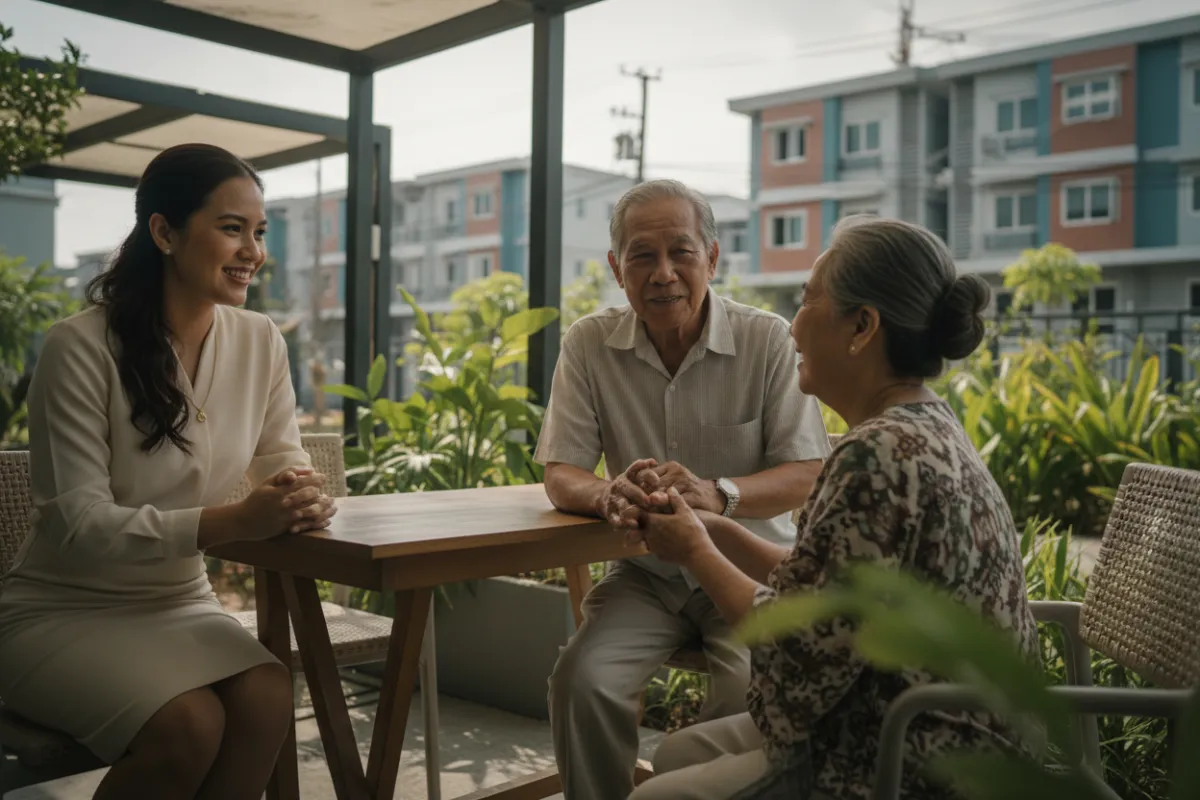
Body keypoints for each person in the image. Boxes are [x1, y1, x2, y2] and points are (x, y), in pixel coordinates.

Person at [623, 215, 1041, 800]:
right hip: (946, 726)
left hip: (913, 756)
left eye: (807, 299)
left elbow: (797, 642)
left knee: (651, 794)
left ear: (862, 326)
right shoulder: (920, 423)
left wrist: (694, 551)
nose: (793, 326)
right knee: (676, 750)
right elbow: (822, 585)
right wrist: (713, 528)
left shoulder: (877, 454)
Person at [0, 143, 336, 800]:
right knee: (189, 723)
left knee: (269, 692)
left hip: (180, 600)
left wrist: (300, 493)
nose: (252, 251)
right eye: (231, 228)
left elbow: (282, 455)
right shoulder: (80, 346)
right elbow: (80, 525)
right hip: (61, 611)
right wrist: (234, 520)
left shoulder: (259, 339)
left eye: (258, 232)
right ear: (164, 231)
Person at [534, 179, 830, 799]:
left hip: (747, 570)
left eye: (682, 252)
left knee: (742, 689)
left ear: (713, 259)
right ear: (618, 269)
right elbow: (561, 470)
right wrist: (606, 494)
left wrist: (718, 493)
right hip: (647, 572)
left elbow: (806, 472)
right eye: (642, 256)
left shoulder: (767, 339)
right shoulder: (589, 342)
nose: (663, 273)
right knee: (581, 680)